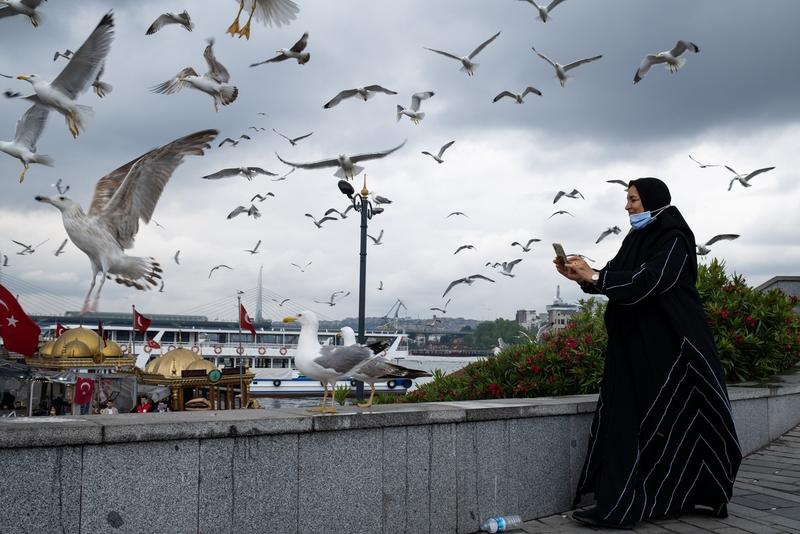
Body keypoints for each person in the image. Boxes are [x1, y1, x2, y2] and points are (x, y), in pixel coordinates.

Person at [555, 177, 740, 529]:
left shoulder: (673, 240)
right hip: (635, 349)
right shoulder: (637, 237)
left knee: (668, 422)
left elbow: (649, 282)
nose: (628, 207)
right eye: (627, 200)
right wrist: (581, 276)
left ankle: (634, 503)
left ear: (653, 200)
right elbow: (614, 276)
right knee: (634, 422)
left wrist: (596, 275)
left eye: (634, 200)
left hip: (671, 353)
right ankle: (626, 501)